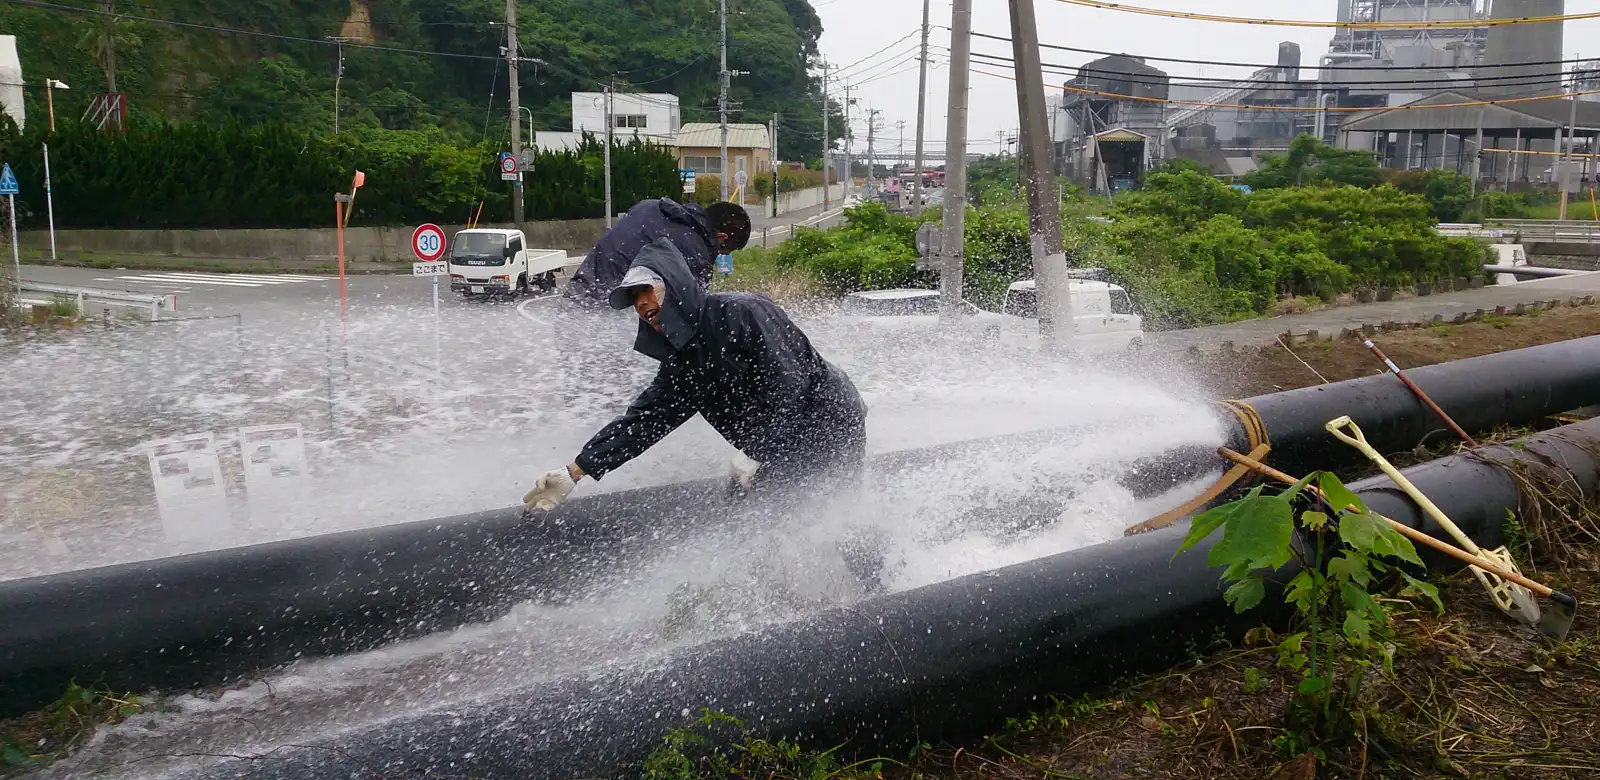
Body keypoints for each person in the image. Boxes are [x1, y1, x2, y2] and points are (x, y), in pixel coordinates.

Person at [524, 235, 867, 511]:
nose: (641, 303)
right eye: (633, 298)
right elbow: (644, 421)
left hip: (830, 421)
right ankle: (780, 589)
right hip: (774, 443)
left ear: (674, 285)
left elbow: (789, 383)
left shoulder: (741, 312)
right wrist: (576, 471)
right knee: (750, 514)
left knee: (834, 507)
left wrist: (759, 451)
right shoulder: (682, 363)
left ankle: (876, 580)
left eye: (647, 289)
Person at [565, 198, 751, 305]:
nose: (718, 256)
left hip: (575, 296)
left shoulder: (650, 206)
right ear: (722, 237)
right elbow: (692, 313)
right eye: (723, 252)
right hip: (607, 311)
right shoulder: (697, 256)